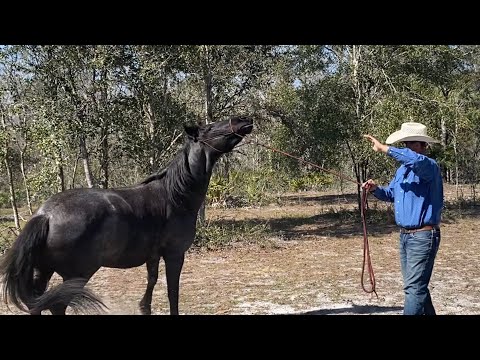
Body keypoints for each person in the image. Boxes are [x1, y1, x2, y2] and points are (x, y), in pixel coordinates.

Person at [362, 122, 443, 315]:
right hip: (406, 237)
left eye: (410, 143)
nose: (406, 146)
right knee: (416, 286)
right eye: (405, 143)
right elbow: (392, 194)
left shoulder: (429, 166)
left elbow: (413, 160)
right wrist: (375, 190)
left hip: (423, 237)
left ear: (423, 146)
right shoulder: (402, 171)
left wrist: (384, 148)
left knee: (413, 288)